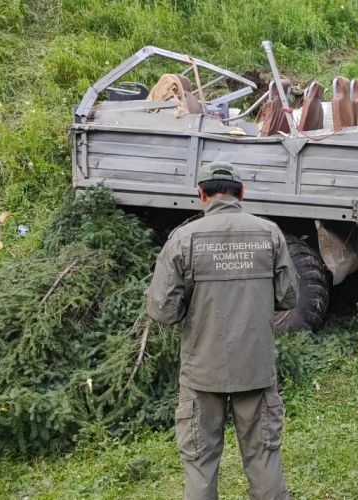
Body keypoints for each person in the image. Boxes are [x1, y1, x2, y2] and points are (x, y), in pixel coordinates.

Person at [147, 161, 298, 500]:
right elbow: (289, 296)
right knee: (264, 456)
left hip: (202, 371)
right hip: (255, 368)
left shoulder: (183, 239)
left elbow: (163, 311)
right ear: (242, 194)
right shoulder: (269, 233)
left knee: (200, 461)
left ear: (201, 195)